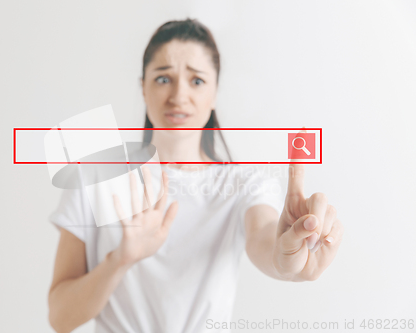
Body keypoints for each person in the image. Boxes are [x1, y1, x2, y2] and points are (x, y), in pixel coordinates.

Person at [47, 18, 343, 333]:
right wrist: (120, 259)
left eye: (197, 81)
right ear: (143, 87)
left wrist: (287, 254)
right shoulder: (94, 176)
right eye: (163, 79)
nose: (178, 95)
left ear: (215, 92)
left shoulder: (243, 185)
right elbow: (60, 318)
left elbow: (265, 237)